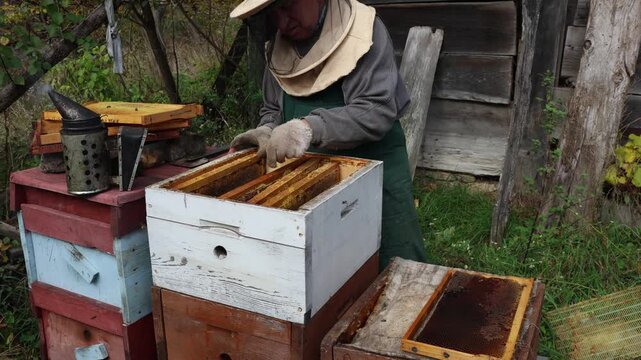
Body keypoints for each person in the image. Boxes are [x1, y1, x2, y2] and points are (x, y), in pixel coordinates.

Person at [229, 0, 427, 269]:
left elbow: (374, 110)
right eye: (273, 13)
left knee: (396, 262)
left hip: (376, 166)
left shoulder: (363, 29)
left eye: (287, 7)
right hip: (312, 174)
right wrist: (267, 129)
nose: (282, 22)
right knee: (329, 271)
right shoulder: (278, 44)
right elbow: (272, 106)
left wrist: (307, 128)